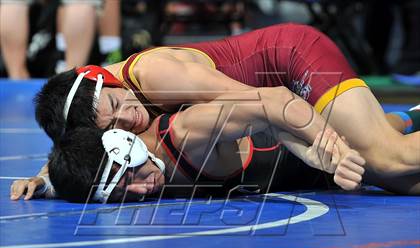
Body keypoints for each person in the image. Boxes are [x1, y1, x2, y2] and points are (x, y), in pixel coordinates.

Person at [10, 23, 420, 199]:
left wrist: (326, 150)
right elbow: (84, 153)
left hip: (292, 63)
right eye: (113, 126)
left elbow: (272, 103)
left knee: (385, 159)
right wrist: (47, 178)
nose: (129, 120)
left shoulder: (155, 76)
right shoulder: (102, 109)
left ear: (110, 80)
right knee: (402, 182)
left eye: (119, 105)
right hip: (269, 103)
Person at [48, 88, 366, 202]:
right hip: (313, 169)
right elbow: (79, 159)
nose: (141, 191)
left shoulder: (185, 134)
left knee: (396, 165)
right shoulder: (102, 161)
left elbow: (277, 101)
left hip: (312, 137)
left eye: (127, 179)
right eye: (121, 197)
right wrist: (46, 181)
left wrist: (335, 150)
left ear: (123, 142)